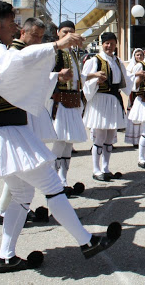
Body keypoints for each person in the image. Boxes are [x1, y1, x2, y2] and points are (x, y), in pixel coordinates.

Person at [0, 1, 121, 273]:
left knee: (22, 193)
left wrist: (53, 74)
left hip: (2, 133)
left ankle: (6, 256)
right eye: (11, 23)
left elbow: (19, 74)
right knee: (51, 185)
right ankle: (87, 241)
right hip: (7, 134)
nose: (16, 28)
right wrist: (57, 46)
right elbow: (18, 63)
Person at [0, 17, 58, 226]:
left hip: (29, 111)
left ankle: (7, 209)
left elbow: (38, 81)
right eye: (35, 36)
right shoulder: (14, 53)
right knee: (19, 166)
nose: (38, 41)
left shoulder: (30, 52)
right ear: (23, 32)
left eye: (41, 37)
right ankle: (4, 210)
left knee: (21, 167)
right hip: (17, 113)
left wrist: (55, 76)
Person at [82, 32, 130, 180]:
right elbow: (84, 79)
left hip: (113, 99)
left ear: (116, 44)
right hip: (100, 100)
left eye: (112, 43)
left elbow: (126, 80)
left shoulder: (118, 61)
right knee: (99, 136)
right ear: (102, 44)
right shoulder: (94, 60)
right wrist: (95, 81)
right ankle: (96, 170)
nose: (109, 46)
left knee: (110, 137)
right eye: (106, 43)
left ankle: (106, 167)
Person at [50, 21, 88, 197]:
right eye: (65, 32)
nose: (69, 35)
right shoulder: (54, 52)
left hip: (73, 101)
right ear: (58, 33)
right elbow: (45, 74)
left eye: (72, 32)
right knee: (59, 142)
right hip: (61, 102)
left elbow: (78, 77)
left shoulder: (73, 53)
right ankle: (52, 183)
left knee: (68, 143)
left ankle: (63, 180)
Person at [124, 48, 145, 148]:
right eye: (137, 55)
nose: (139, 57)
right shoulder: (130, 67)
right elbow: (126, 77)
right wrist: (136, 74)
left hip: (143, 93)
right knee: (134, 116)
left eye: (141, 55)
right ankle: (134, 139)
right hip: (134, 94)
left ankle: (142, 138)